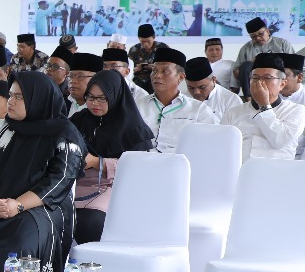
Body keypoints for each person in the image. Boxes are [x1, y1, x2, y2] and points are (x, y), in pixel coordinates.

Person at [0, 72, 85, 272]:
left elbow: (59, 180)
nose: (10, 102)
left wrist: (17, 205)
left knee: (21, 238)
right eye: (11, 95)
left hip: (39, 208)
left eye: (19, 97)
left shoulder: (64, 134)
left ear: (37, 98)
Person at [70, 70, 155, 243]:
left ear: (115, 96)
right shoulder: (78, 120)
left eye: (102, 98)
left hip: (112, 187)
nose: (95, 103)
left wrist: (96, 162)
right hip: (74, 185)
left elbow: (138, 168)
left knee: (88, 222)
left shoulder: (133, 128)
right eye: (90, 97)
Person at [220, 53, 305, 160]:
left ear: (282, 84)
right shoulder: (233, 113)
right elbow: (221, 147)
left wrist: (264, 106)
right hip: (241, 174)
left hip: (278, 173)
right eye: (255, 78)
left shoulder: (295, 110)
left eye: (268, 78)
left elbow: (280, 140)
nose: (260, 83)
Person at [137, 48, 217, 153]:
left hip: (181, 165)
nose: (157, 75)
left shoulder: (198, 110)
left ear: (180, 77)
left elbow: (208, 146)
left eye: (165, 71)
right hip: (142, 163)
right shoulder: (137, 106)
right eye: (154, 71)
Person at [234, 17, 294, 97]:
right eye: (253, 37)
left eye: (260, 34)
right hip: (256, 83)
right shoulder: (246, 48)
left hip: (278, 81)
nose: (258, 38)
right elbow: (237, 71)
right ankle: (249, 98)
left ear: (268, 31)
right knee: (246, 65)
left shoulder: (282, 44)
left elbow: (294, 66)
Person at [183, 57, 240, 121]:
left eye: (202, 87)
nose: (196, 92)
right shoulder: (182, 99)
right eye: (191, 88)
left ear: (213, 80)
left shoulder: (231, 100)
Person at [128, 24, 169, 92]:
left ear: (153, 37)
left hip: (157, 78)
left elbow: (169, 66)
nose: (145, 44)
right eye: (142, 42)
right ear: (139, 38)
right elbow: (128, 68)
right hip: (139, 80)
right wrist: (136, 69)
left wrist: (155, 67)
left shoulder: (163, 48)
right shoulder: (134, 49)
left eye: (148, 41)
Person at [66, 52, 104, 116]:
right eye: (70, 76)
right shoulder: (61, 103)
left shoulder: (102, 108)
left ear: (96, 79)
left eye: (80, 76)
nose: (73, 81)